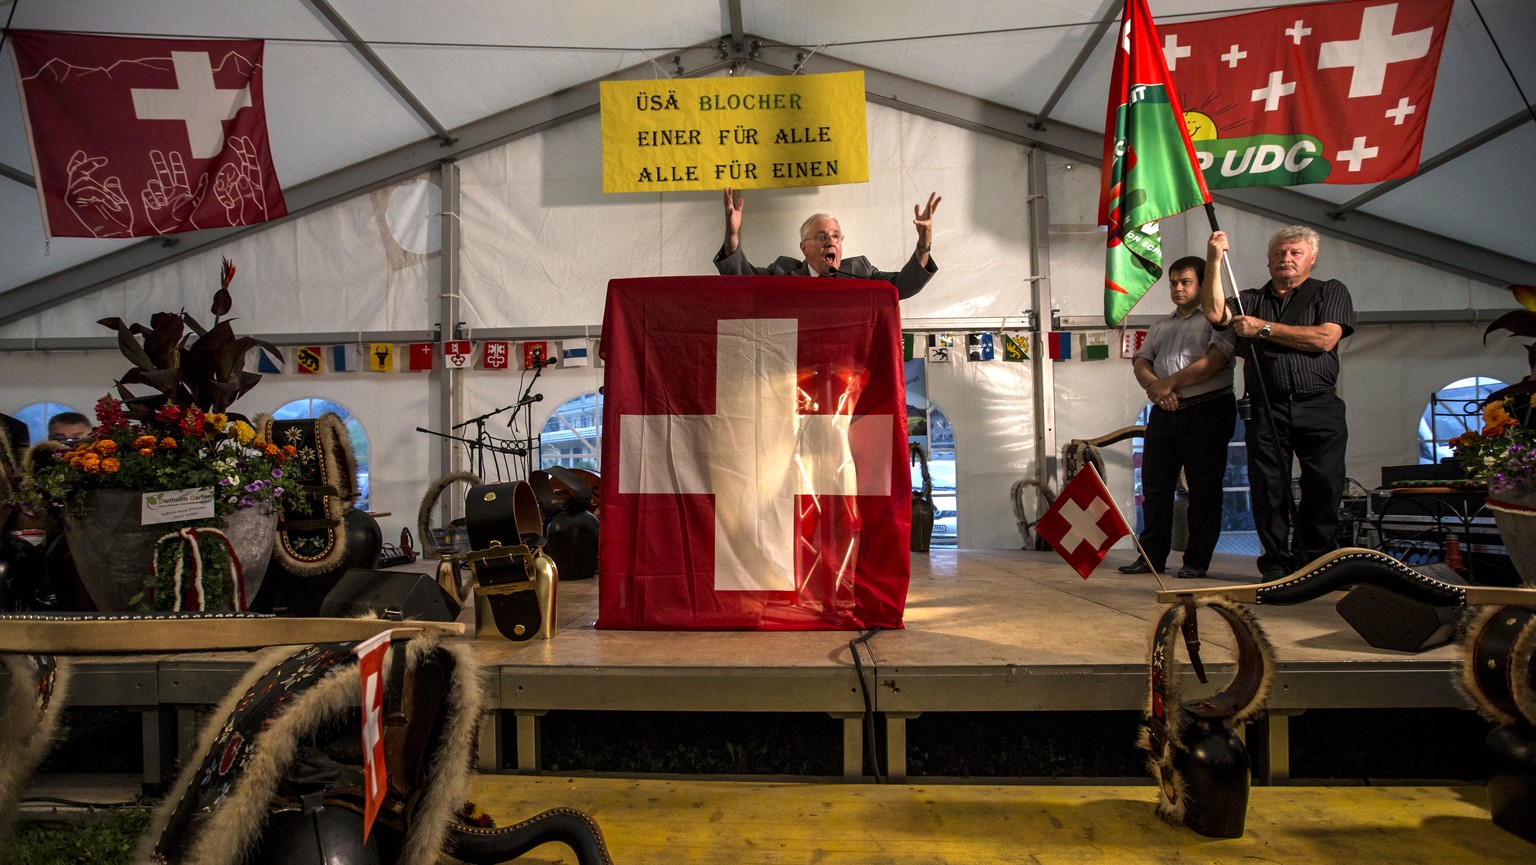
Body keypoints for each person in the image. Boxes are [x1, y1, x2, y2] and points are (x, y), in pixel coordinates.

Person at [1203, 226, 1356, 580]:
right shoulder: (1250, 300)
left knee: (1325, 484)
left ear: (1311, 259)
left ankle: (1317, 561)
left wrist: (1263, 329)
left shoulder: (1329, 291)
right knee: (1268, 488)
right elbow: (1214, 313)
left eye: (1295, 253)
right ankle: (1275, 562)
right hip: (1266, 406)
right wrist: (1213, 260)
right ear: (1268, 260)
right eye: (1279, 253)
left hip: (1318, 404)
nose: (1286, 259)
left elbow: (1323, 339)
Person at [1118, 256, 1236, 579]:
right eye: (1173, 282)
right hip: (1165, 412)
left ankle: (1196, 561)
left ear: (1202, 284)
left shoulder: (1219, 320)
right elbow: (1141, 362)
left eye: (1186, 282)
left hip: (1208, 409)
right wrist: (1157, 388)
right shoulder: (1161, 325)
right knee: (1155, 488)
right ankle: (1151, 557)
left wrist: (1169, 382)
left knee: (1203, 489)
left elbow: (1215, 363)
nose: (1178, 288)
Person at [713, 187, 941, 299]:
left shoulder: (860, 271)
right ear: (803, 247)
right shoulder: (783, 271)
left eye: (836, 236)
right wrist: (731, 235)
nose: (830, 242)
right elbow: (743, 280)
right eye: (821, 237)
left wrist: (924, 243)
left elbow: (904, 286)